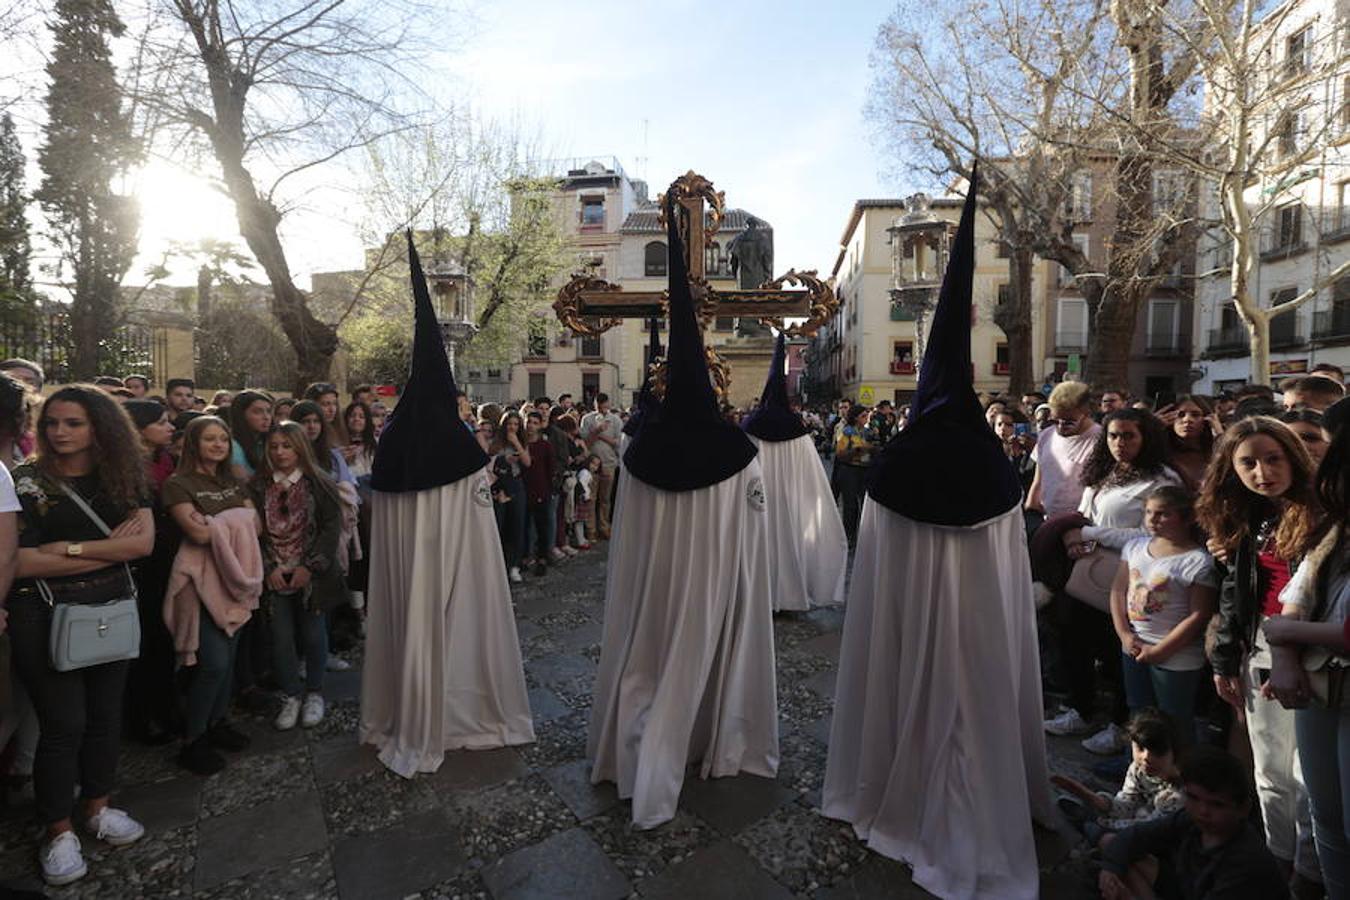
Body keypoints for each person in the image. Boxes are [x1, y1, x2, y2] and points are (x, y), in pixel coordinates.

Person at [823, 168, 1053, 899]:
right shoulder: (992, 467)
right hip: (980, 635)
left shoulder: (900, 464)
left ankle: (898, 779)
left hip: (910, 624)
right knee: (976, 691)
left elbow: (875, 589)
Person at [589, 190, 776, 830]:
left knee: (647, 662)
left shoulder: (642, 451)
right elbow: (753, 537)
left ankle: (639, 741)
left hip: (652, 594)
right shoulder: (737, 452)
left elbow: (625, 542)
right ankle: (705, 734)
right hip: (712, 590)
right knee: (707, 648)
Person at [359, 234, 532, 777]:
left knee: (411, 615)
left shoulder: (392, 443)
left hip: (412, 564)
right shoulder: (457, 443)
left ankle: (404, 710)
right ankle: (458, 711)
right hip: (452, 559)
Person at [8, 386, 153, 885]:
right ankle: (58, 829)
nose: (59, 432)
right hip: (42, 614)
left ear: (100, 426)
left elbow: (143, 545)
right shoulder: (24, 482)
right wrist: (102, 549)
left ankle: (97, 807)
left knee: (104, 718)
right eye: (51, 422)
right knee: (63, 724)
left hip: (110, 608)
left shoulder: (124, 476)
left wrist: (66, 549)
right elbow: (19, 561)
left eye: (73, 423)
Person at [1197, 416, 1322, 888]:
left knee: (1307, 774)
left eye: (1273, 458)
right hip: (1258, 649)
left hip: (1313, 653)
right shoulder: (1246, 517)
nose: (1263, 471)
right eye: (1248, 462)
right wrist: (1226, 659)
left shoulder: (1322, 513)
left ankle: (1311, 873)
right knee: (1270, 768)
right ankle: (1279, 859)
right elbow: (1236, 593)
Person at [1046, 409, 1182, 753]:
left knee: (1117, 652)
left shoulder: (1161, 479)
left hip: (1133, 580)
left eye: (1129, 436)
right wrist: (1073, 536)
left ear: (1146, 438)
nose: (1120, 443)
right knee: (1074, 641)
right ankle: (1081, 709)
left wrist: (1089, 533)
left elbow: (1153, 533)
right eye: (1113, 436)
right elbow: (1084, 513)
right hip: (1087, 571)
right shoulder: (1104, 471)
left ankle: (1121, 726)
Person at [1269, 395, 1350, 896]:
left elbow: (1287, 622)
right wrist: (1283, 654)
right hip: (1321, 690)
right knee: (1327, 817)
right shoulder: (1335, 528)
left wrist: (1290, 635)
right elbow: (1293, 594)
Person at [161, 416, 262, 774]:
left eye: (223, 438)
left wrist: (218, 522)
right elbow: (197, 533)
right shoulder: (178, 484)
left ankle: (217, 723)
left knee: (229, 660)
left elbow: (257, 525)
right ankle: (193, 739)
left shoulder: (234, 481)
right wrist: (235, 521)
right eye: (209, 439)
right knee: (213, 664)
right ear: (193, 444)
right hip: (201, 584)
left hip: (235, 578)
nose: (218, 445)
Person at [741, 331, 848, 611]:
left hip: (757, 502)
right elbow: (813, 477)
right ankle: (789, 595)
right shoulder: (798, 433)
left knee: (760, 546)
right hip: (790, 502)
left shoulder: (750, 428)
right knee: (790, 544)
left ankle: (760, 595)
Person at [1097, 746, 1287, 900]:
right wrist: (1109, 871)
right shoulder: (1189, 820)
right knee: (1111, 845)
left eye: (1216, 804)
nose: (1203, 811)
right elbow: (1136, 836)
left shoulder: (1245, 861)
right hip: (1188, 889)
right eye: (1194, 798)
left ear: (1242, 809)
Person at [1110, 486, 1217, 746]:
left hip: (1176, 655)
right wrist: (1125, 634)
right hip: (1134, 646)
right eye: (1148, 512)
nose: (1152, 520)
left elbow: (1198, 615)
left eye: (1163, 514)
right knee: (1138, 711)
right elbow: (1118, 591)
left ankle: (1179, 773)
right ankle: (1135, 766)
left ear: (1187, 518)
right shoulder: (1134, 547)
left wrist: (1161, 650)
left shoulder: (1197, 561)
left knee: (1174, 719)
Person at [253, 422, 343, 731]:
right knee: (280, 638)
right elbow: (252, 533)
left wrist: (310, 566)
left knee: (314, 634)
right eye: (274, 446)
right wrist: (268, 568)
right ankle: (291, 694)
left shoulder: (320, 483)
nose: (280, 452)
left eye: (287, 446)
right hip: (275, 573)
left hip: (310, 576)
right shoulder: (257, 486)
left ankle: (315, 692)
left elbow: (331, 527)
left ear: (300, 447)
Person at [1052, 708, 1183, 844]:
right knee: (1090, 785)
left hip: (1155, 833)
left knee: (1110, 840)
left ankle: (1090, 827)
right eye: (1140, 748)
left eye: (1158, 752)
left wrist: (1103, 823)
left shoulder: (1178, 792)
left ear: (1174, 752)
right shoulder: (1138, 768)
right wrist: (1094, 799)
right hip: (1137, 818)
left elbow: (1147, 828)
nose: (1146, 757)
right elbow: (1125, 805)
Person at [1026, 380, 1101, 520]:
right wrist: (1031, 506)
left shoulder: (1100, 440)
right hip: (1046, 520)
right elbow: (1039, 478)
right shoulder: (1046, 435)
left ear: (1085, 412)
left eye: (1068, 422)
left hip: (1082, 524)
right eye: (1055, 421)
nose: (1060, 427)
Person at [489, 410, 529, 584]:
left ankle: (514, 565)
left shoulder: (521, 441)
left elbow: (527, 462)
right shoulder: (496, 442)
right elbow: (489, 457)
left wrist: (517, 444)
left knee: (517, 525)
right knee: (499, 525)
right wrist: (503, 458)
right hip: (499, 487)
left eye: (515, 424)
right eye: (509, 424)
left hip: (516, 485)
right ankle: (499, 565)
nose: (512, 427)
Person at [580, 393, 622, 540]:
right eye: (599, 407)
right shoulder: (587, 419)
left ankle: (604, 527)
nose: (602, 410)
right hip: (592, 465)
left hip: (609, 463)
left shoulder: (615, 420)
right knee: (591, 498)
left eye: (605, 407)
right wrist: (596, 430)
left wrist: (602, 435)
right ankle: (591, 530)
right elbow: (584, 443)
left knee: (605, 499)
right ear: (595, 405)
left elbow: (618, 443)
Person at [833, 404, 874, 548]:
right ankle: (848, 536)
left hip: (865, 470)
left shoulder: (870, 432)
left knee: (865, 505)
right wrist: (857, 450)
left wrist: (873, 449)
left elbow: (876, 447)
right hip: (849, 471)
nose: (866, 417)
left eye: (867, 415)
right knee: (850, 506)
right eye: (863, 415)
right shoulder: (846, 432)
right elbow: (840, 454)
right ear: (856, 417)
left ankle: (862, 536)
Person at [227, 389, 274, 480]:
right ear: (241, 415)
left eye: (268, 411)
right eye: (257, 412)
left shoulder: (265, 441)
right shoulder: (233, 446)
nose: (266, 417)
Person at [302, 382, 348, 448]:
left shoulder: (340, 429)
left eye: (334, 404)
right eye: (325, 404)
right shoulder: (308, 431)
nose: (332, 409)